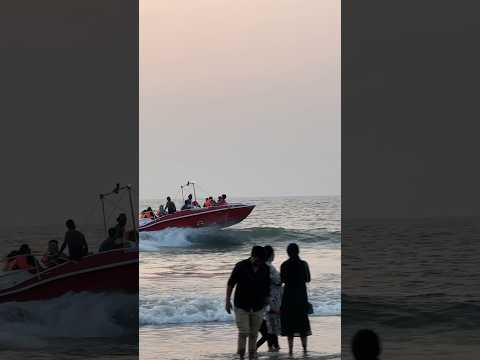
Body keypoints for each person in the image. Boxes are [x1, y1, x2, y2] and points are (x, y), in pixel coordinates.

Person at [226, 246, 270, 359]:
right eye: (259, 260)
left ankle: (252, 355)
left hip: (258, 306)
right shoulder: (241, 266)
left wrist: (267, 301)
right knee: (244, 332)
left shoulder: (265, 268)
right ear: (253, 257)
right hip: (241, 304)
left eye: (263, 260)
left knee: (254, 333)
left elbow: (266, 286)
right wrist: (227, 300)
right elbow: (231, 283)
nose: (261, 262)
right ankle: (241, 356)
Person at [280, 243, 312, 355]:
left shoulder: (284, 265)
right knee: (303, 325)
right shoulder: (304, 264)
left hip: (288, 298)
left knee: (289, 326)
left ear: (288, 253)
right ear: (298, 251)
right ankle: (304, 349)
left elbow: (282, 280)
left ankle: (290, 350)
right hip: (301, 297)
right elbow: (308, 279)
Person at [256, 245, 282, 352]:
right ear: (271, 255)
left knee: (269, 327)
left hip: (261, 301)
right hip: (271, 300)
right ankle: (268, 347)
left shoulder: (259, 267)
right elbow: (278, 281)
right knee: (271, 327)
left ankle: (273, 347)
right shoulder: (269, 268)